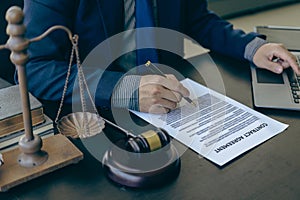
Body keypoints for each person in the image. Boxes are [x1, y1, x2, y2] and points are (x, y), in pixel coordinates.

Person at [22, 0, 299, 117]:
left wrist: (250, 47)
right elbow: (37, 68)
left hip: (171, 100)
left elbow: (196, 19)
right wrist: (125, 89)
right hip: (96, 111)